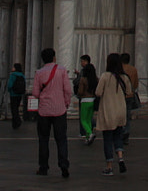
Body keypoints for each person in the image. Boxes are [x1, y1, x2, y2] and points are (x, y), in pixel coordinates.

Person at [31, 47, 71, 177]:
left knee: (43, 139)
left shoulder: (39, 72)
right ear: (54, 57)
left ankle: (43, 167)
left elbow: (35, 93)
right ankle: (63, 165)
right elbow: (67, 90)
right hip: (59, 109)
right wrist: (66, 102)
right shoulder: (62, 70)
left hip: (44, 110)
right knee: (61, 139)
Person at [95, 53, 130, 175]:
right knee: (118, 136)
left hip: (108, 111)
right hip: (120, 111)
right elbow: (129, 92)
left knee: (108, 139)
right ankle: (120, 158)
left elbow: (98, 92)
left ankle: (109, 166)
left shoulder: (105, 76)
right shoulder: (124, 77)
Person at [75, 55, 98, 144]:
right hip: (93, 100)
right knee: (88, 119)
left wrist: (78, 94)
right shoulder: (95, 79)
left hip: (85, 100)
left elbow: (80, 91)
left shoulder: (83, 80)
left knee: (83, 120)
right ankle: (88, 138)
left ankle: (89, 133)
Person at [120, 52, 140, 145]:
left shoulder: (119, 69)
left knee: (120, 115)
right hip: (130, 95)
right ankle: (126, 132)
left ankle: (120, 132)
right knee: (127, 115)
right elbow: (136, 83)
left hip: (120, 95)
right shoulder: (133, 69)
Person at [6, 63, 26, 129]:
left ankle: (16, 121)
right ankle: (16, 122)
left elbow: (10, 85)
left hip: (13, 93)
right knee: (16, 107)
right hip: (19, 94)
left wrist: (9, 90)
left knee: (13, 108)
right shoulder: (22, 75)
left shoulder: (13, 75)